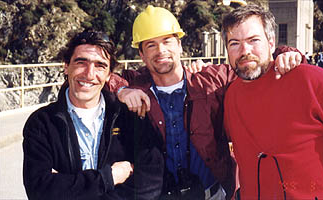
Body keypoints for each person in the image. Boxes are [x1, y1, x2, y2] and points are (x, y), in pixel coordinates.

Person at [109, 5, 304, 200]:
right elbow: (99, 78)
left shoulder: (212, 80)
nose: (161, 51)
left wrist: (285, 55)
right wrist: (122, 90)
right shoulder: (134, 84)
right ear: (141, 55)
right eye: (151, 45)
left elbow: (251, 65)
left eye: (167, 41)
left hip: (213, 193)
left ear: (179, 46)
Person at [222, 4, 323, 199]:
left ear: (271, 43)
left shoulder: (311, 80)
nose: (244, 50)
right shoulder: (231, 96)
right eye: (234, 43)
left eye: (253, 40)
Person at [22, 30, 164, 200]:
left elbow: (151, 182)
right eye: (81, 62)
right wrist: (108, 178)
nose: (89, 74)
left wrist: (67, 185)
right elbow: (40, 190)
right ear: (66, 67)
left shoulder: (129, 117)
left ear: (109, 75)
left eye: (100, 65)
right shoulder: (41, 123)